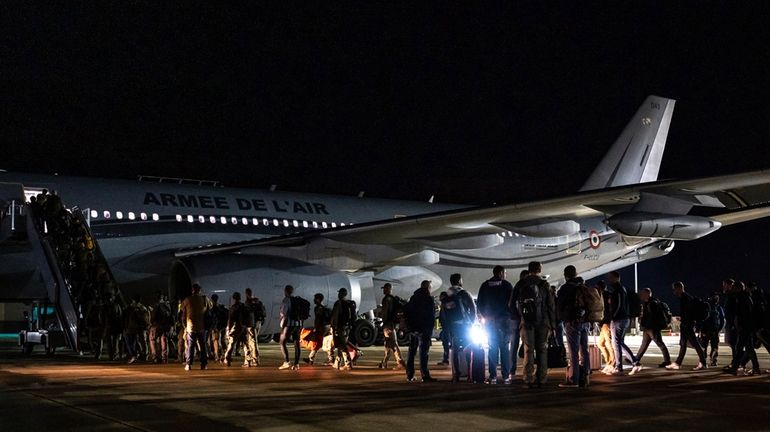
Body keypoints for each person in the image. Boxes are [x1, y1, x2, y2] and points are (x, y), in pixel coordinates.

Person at [511, 261, 555, 388]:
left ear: (528, 269)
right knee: (542, 350)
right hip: (543, 322)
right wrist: (552, 324)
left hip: (526, 322)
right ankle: (541, 379)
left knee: (528, 350)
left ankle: (528, 378)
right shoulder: (544, 284)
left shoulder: (521, 284)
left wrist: (519, 318)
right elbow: (550, 305)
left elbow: (511, 304)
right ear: (539, 270)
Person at [556, 266, 590, 388]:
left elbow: (559, 306)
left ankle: (573, 379)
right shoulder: (583, 286)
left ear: (566, 275)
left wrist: (561, 318)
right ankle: (585, 377)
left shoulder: (565, 288)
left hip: (572, 322)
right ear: (576, 274)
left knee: (573, 352)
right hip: (585, 322)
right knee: (584, 350)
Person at [478, 265, 513, 385]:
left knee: (492, 348)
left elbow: (480, 303)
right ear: (501, 273)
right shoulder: (507, 285)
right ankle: (506, 376)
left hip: (490, 321)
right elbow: (512, 303)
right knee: (504, 349)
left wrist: (486, 316)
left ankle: (492, 376)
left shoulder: (485, 285)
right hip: (504, 321)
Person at [442, 273, 476, 382]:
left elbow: (444, 313)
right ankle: (470, 375)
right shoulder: (464, 293)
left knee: (455, 351)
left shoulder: (447, 295)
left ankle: (455, 375)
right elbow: (473, 308)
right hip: (465, 326)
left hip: (453, 327)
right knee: (469, 348)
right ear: (460, 281)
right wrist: (471, 322)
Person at [666, 281, 708, 371]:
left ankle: (703, 362)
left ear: (679, 288)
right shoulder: (685, 298)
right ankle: (678, 363)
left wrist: (685, 321)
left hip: (687, 324)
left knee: (694, 343)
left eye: (674, 289)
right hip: (686, 324)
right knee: (683, 344)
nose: (674, 292)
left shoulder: (686, 298)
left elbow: (688, 312)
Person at [606, 271, 638, 375]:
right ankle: (634, 362)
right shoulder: (622, 289)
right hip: (624, 318)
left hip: (618, 319)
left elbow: (618, 305)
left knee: (616, 343)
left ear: (616, 278)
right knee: (619, 342)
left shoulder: (618, 290)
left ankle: (620, 367)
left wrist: (613, 317)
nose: (609, 280)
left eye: (610, 278)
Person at [404, 280, 437, 382]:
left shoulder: (413, 298)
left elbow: (407, 312)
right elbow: (431, 316)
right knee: (423, 353)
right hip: (424, 329)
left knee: (411, 352)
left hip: (413, 329)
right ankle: (424, 375)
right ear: (427, 288)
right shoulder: (428, 299)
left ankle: (410, 375)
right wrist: (430, 329)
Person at [725, 281, 760, 375]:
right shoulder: (744, 297)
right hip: (745, 327)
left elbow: (745, 314)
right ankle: (756, 368)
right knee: (749, 348)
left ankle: (734, 368)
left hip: (744, 327)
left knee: (739, 348)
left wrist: (741, 325)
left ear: (739, 288)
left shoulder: (743, 298)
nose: (732, 289)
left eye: (734, 288)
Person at [633, 288, 672, 369]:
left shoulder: (652, 303)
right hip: (648, 328)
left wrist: (646, 324)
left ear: (648, 294)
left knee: (660, 343)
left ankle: (667, 361)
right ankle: (635, 360)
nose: (641, 295)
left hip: (652, 328)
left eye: (643, 294)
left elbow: (652, 317)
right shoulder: (647, 303)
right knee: (644, 345)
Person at [179, 283, 212, 371]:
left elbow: (183, 314)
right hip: (202, 327)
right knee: (203, 346)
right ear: (200, 290)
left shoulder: (187, 300)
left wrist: (184, 325)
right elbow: (210, 308)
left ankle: (189, 364)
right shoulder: (205, 299)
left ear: (192, 290)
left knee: (191, 346)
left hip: (191, 327)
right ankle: (203, 364)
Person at [379, 283, 405, 369]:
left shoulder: (386, 299)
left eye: (385, 288)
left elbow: (385, 312)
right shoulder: (394, 299)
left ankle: (400, 361)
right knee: (388, 343)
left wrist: (384, 322)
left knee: (393, 343)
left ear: (389, 289)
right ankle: (384, 362)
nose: (383, 290)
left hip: (388, 324)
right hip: (393, 324)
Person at [330, 287, 357, 370]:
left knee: (342, 344)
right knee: (341, 344)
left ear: (341, 294)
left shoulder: (338, 304)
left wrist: (333, 327)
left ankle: (348, 364)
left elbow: (335, 317)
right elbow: (354, 317)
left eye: (339, 293)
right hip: (347, 327)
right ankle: (337, 363)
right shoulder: (349, 304)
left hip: (340, 327)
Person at [509, 270, 529, 379]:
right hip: (527, 319)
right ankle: (528, 371)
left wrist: (515, 316)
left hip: (515, 319)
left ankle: (512, 369)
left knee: (514, 344)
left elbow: (511, 303)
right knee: (528, 345)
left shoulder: (517, 286)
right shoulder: (530, 286)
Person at [278, 285, 304, 370]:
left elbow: (284, 313)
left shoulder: (286, 300)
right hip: (298, 324)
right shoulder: (297, 300)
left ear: (285, 291)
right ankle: (296, 364)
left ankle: (286, 362)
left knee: (282, 342)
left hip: (289, 324)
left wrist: (282, 324)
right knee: (297, 344)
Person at [305, 293, 333, 365]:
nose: (314, 300)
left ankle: (311, 359)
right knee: (324, 343)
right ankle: (330, 359)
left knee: (318, 343)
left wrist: (316, 328)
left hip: (321, 328)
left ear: (318, 299)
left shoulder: (318, 308)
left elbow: (318, 319)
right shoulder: (325, 308)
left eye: (315, 298)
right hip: (327, 327)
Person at [595, 281, 615, 374]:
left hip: (607, 322)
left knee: (609, 344)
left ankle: (612, 364)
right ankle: (608, 362)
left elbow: (606, 310)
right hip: (604, 323)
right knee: (601, 343)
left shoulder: (605, 296)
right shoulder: (605, 295)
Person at [698, 295, 724, 367]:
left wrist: (700, 329)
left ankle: (704, 361)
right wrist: (719, 329)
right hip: (712, 330)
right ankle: (712, 360)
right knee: (713, 347)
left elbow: (701, 319)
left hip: (707, 330)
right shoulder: (718, 308)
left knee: (705, 347)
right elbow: (722, 320)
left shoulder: (707, 307)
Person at [123, 294, 150, 364]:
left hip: (134, 328)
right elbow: (146, 318)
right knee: (141, 342)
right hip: (139, 328)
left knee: (134, 342)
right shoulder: (143, 308)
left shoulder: (132, 308)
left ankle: (137, 355)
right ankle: (143, 355)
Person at [149, 291, 173, 364]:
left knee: (152, 340)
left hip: (157, 325)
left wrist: (151, 323)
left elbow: (153, 317)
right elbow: (171, 316)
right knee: (164, 340)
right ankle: (164, 358)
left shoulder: (156, 306)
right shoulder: (167, 305)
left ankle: (155, 357)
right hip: (165, 326)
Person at [223, 292, 245, 367]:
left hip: (236, 327)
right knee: (245, 344)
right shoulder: (243, 306)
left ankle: (228, 358)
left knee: (231, 344)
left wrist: (228, 329)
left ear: (233, 298)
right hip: (243, 327)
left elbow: (231, 320)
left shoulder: (233, 307)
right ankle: (248, 360)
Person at [207, 294, 228, 363]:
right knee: (223, 341)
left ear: (212, 300)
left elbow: (211, 319)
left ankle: (218, 356)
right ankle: (226, 355)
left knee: (216, 341)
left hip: (216, 328)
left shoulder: (212, 309)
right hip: (223, 327)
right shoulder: (222, 308)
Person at [241, 288, 259, 367]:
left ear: (246, 294)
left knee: (249, 342)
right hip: (254, 324)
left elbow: (246, 314)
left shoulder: (248, 302)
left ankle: (251, 360)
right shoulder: (256, 302)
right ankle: (256, 359)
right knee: (254, 342)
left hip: (249, 325)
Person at [437, 291, 450, 366]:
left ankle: (446, 359)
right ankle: (446, 359)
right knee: (446, 343)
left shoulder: (444, 304)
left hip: (446, 327)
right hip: (446, 326)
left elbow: (444, 316)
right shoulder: (445, 303)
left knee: (445, 343)